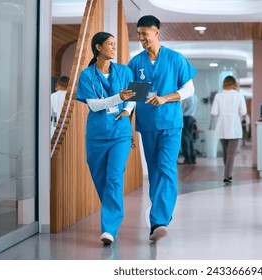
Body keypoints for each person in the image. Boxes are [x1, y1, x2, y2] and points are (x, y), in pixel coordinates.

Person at [127, 15, 197, 242]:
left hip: (170, 124)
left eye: (144, 35)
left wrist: (166, 98)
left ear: (156, 33)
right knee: (155, 171)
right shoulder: (136, 63)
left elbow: (189, 89)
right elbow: (131, 97)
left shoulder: (175, 59)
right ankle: (158, 218)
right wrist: (126, 118)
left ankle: (159, 220)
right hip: (147, 125)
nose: (141, 39)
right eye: (138, 35)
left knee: (167, 167)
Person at [76, 31, 136, 245]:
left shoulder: (124, 71)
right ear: (98, 47)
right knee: (101, 180)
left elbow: (134, 97)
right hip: (96, 135)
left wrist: (127, 110)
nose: (114, 47)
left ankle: (109, 228)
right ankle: (113, 214)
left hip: (120, 133)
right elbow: (94, 105)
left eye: (115, 43)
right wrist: (119, 98)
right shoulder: (87, 75)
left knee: (114, 178)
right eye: (110, 44)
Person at [211, 75, 247, 185]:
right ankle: (227, 175)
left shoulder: (218, 96)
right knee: (231, 152)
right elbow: (243, 112)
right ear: (234, 83)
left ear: (224, 83)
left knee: (226, 152)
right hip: (234, 125)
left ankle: (228, 174)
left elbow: (214, 112)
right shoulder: (239, 95)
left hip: (222, 125)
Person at [179, 94, 198, 165]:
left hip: (185, 118)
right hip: (191, 118)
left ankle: (187, 159)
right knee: (189, 138)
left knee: (185, 138)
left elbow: (182, 107)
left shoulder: (186, 96)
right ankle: (192, 158)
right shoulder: (195, 96)